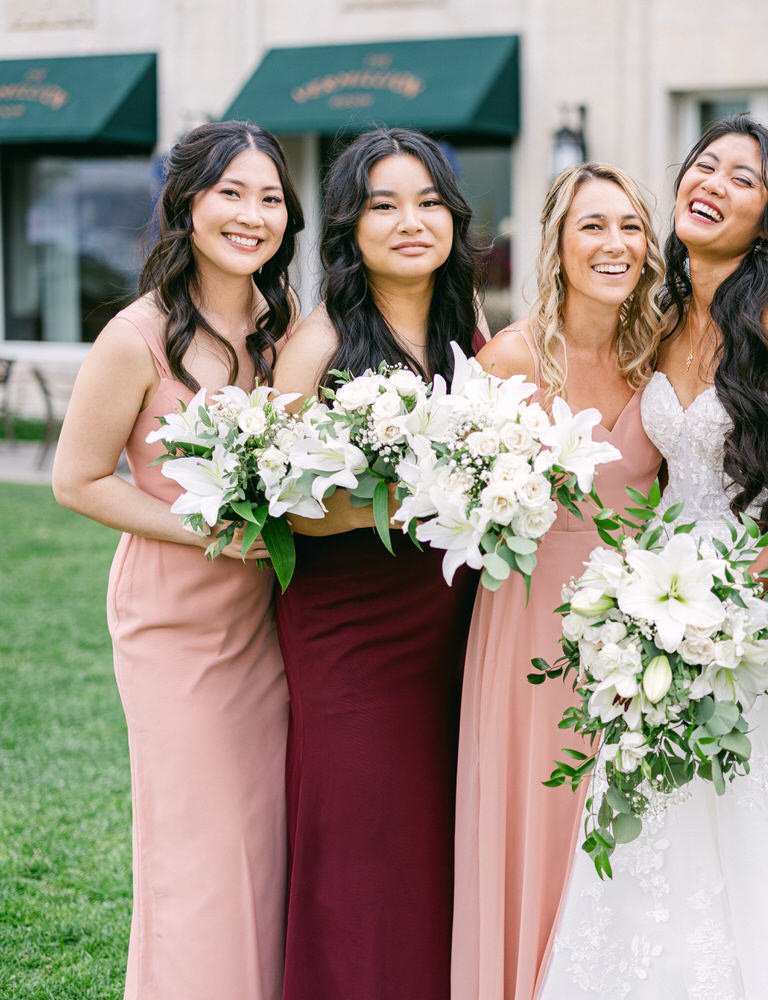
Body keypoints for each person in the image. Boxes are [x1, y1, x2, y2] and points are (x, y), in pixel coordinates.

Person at [537, 113, 768, 999]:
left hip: (756, 618)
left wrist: (734, 596)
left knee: (764, 839)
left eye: (742, 178)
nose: (713, 184)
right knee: (664, 839)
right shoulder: (658, 319)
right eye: (705, 166)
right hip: (658, 607)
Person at [51, 120, 302, 1000]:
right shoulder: (137, 336)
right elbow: (77, 481)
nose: (253, 214)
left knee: (265, 833)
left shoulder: (291, 328)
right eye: (231, 193)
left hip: (274, 615)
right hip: (176, 622)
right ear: (187, 206)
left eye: (270, 198)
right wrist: (205, 529)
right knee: (198, 846)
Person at [270, 127, 483, 1000]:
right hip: (350, 631)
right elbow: (275, 507)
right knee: (362, 835)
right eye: (384, 204)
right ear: (350, 225)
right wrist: (414, 498)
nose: (410, 221)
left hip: (448, 620)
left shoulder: (466, 327)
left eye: (429, 202)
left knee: (432, 834)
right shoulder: (319, 342)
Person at [450, 162, 665, 1000]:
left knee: (629, 835)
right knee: (536, 820)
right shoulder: (508, 358)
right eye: (593, 227)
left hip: (642, 631)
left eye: (630, 228)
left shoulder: (662, 356)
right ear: (558, 244)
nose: (614, 245)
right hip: (529, 623)